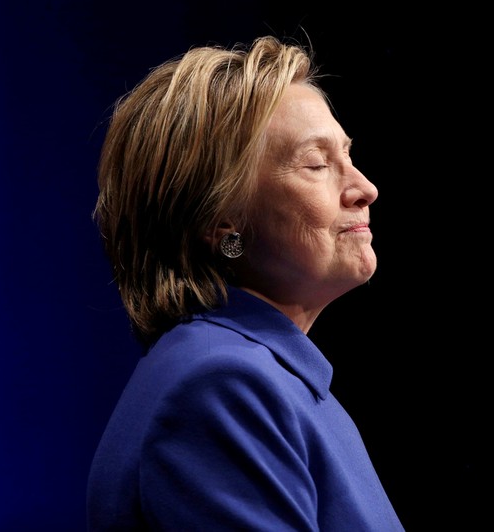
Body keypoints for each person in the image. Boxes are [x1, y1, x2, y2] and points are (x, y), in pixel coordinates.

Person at [86, 35, 404, 530]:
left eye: (347, 155)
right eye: (317, 164)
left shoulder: (270, 380)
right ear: (222, 220)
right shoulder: (223, 388)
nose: (366, 188)